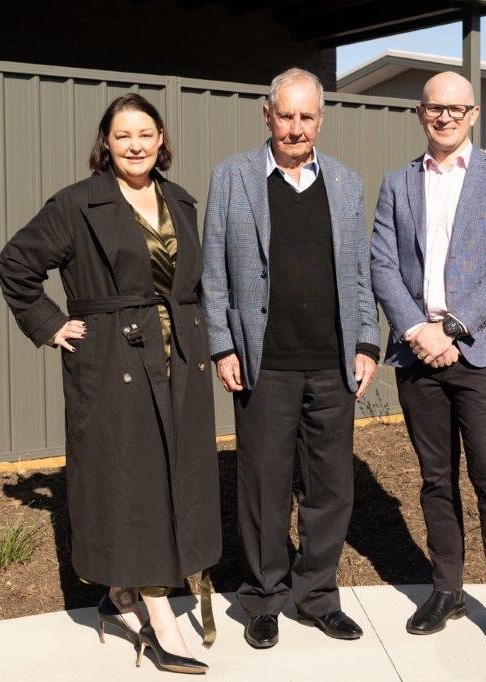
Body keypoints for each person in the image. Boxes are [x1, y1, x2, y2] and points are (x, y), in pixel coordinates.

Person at [0, 93, 220, 675]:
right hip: (116, 361)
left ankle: (121, 593)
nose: (136, 145)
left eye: (145, 133)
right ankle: (159, 617)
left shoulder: (180, 201)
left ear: (161, 137)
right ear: (106, 143)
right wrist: (51, 326)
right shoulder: (77, 204)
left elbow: (194, 282)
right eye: (123, 136)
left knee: (176, 475)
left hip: (181, 359)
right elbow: (16, 264)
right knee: (134, 482)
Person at [201, 68, 380, 649]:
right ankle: (263, 598)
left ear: (320, 121)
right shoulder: (233, 178)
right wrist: (223, 345)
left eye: (307, 117)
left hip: (332, 364)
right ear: (268, 116)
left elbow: (358, 274)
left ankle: (318, 597)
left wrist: (366, 343)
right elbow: (214, 273)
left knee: (331, 488)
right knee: (263, 488)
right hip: (263, 363)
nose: (296, 127)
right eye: (286, 115)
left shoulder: (348, 185)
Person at [369, 71, 486, 660]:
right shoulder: (397, 183)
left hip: (479, 351)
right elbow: (383, 265)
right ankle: (447, 590)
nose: (445, 118)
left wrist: (453, 330)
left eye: (455, 109)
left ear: (473, 113)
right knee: (436, 481)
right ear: (420, 113)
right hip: (418, 355)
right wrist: (418, 331)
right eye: (434, 109)